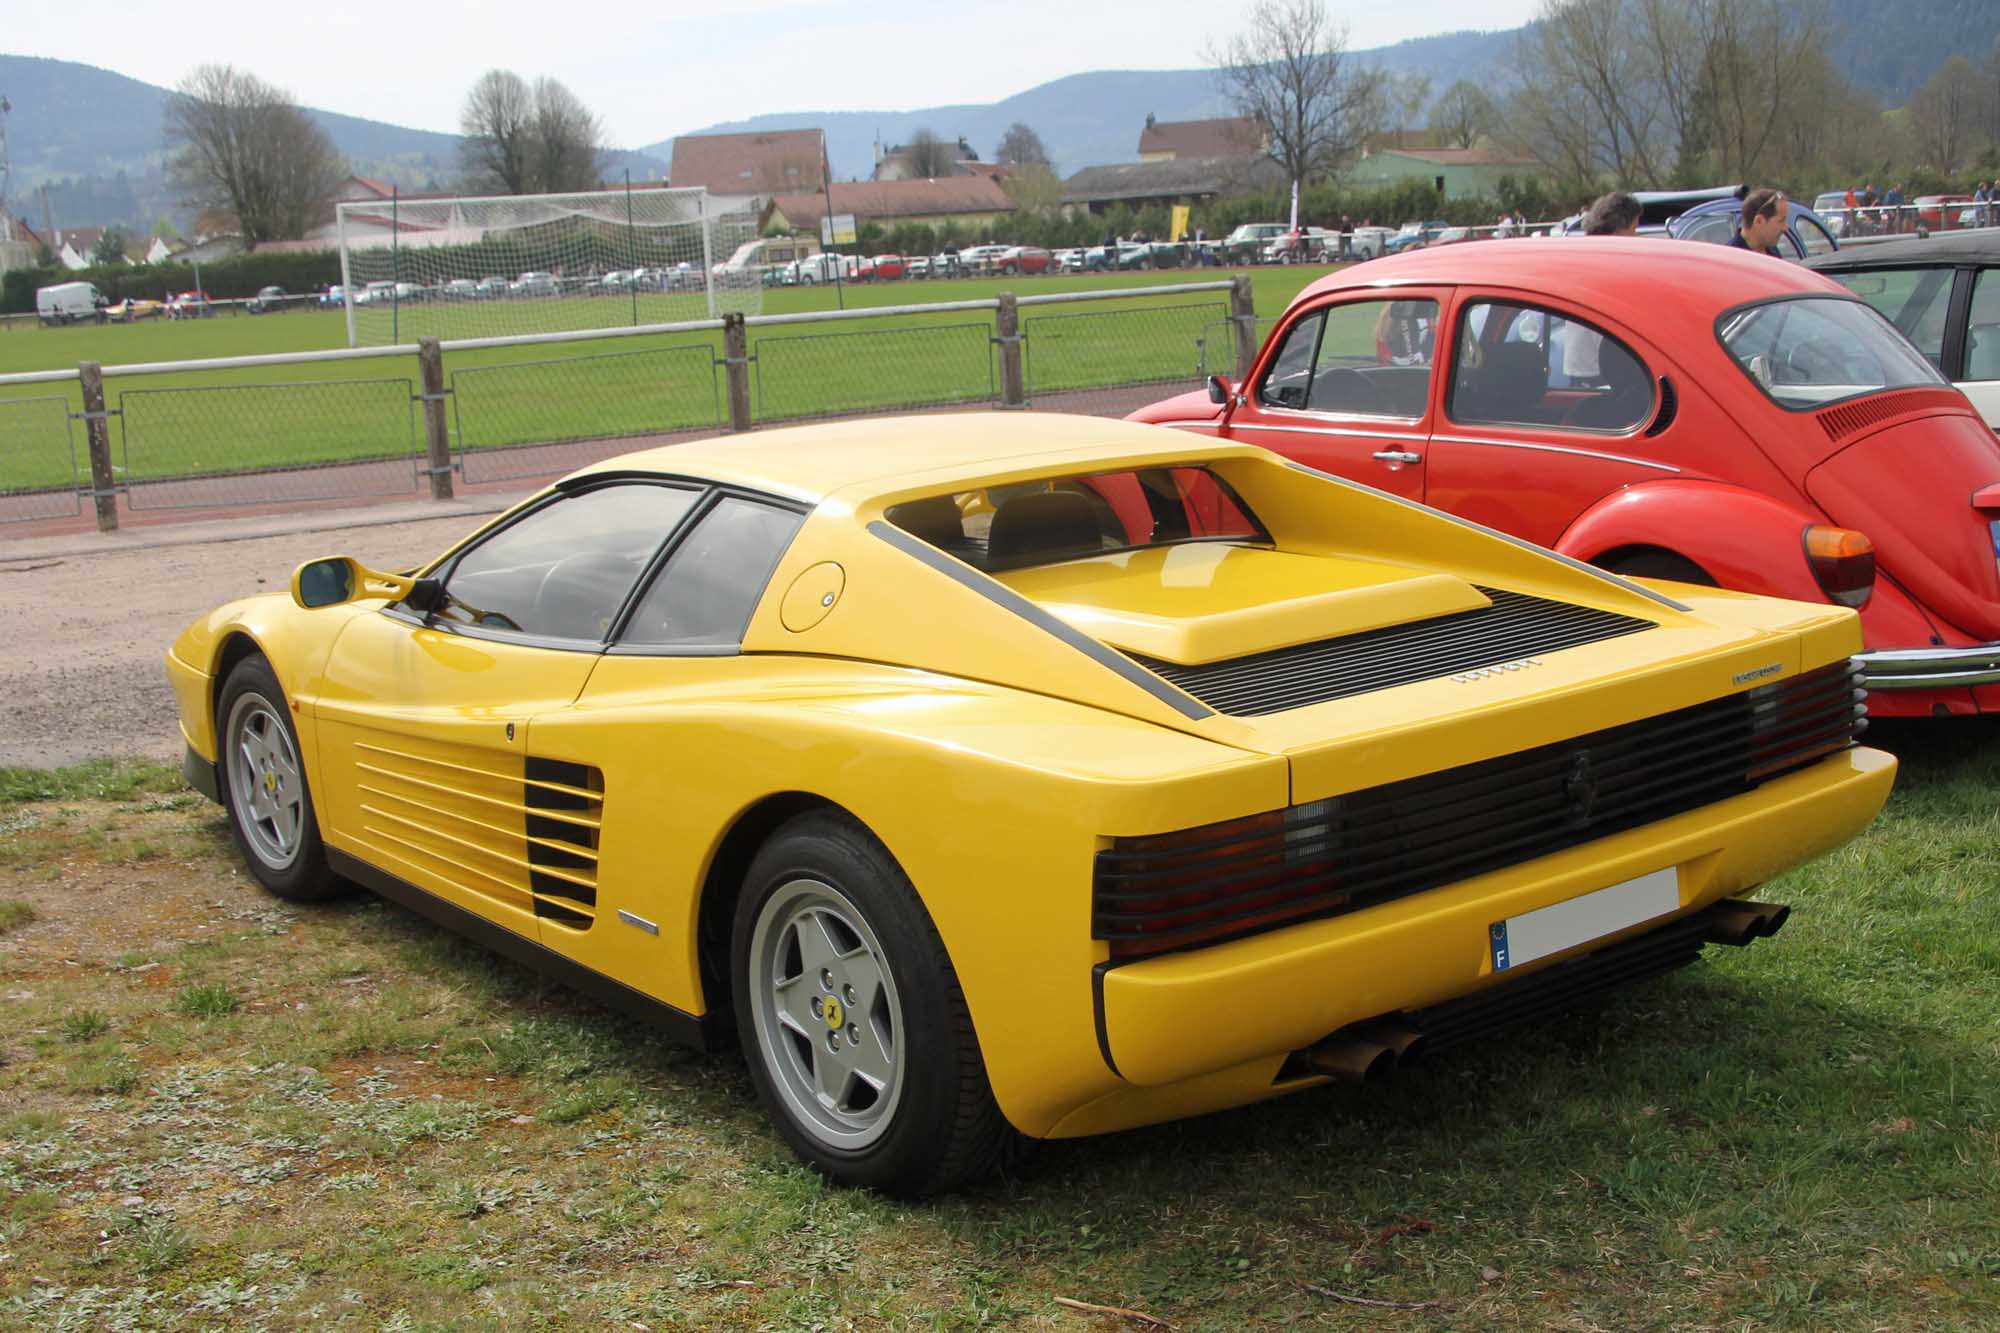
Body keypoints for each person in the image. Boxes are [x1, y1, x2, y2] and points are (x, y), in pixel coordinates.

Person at [1730, 188, 1786, 256]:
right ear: (1759, 221)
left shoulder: (1773, 252)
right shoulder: (1731, 258)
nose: (1785, 228)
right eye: (1781, 221)